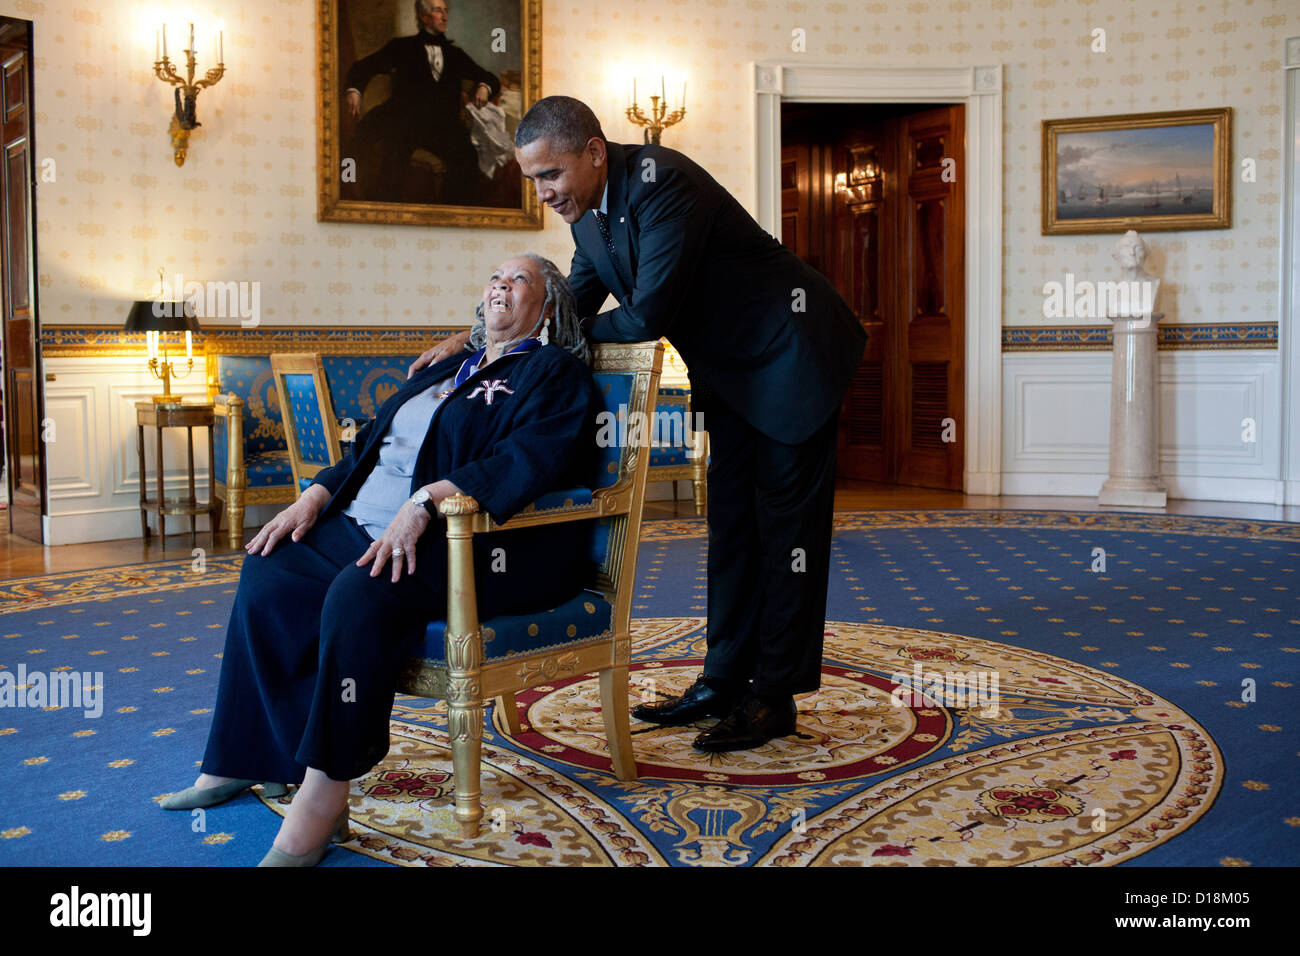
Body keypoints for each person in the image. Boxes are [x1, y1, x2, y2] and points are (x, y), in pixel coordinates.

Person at [411, 96, 867, 753]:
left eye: (551, 176)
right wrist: (477, 339)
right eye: (533, 179)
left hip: (793, 356)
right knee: (733, 526)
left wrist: (541, 337)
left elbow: (645, 314)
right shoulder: (588, 221)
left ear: (594, 153)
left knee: (785, 534)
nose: (543, 194)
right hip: (730, 373)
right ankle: (720, 680)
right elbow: (568, 305)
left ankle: (772, 698)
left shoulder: (663, 182)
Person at [160, 255, 600, 866]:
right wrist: (313, 495)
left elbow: (526, 460)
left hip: (475, 544)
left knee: (358, 592)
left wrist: (426, 501)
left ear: (548, 307)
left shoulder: (552, 373)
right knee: (269, 570)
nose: (501, 284)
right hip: (366, 523)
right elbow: (371, 443)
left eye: (519, 279)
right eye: (494, 277)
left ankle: (324, 794)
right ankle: (244, 756)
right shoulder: (450, 365)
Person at [343, 0, 500, 203]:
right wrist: (354, 90)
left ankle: (452, 213)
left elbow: (489, 77)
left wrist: (483, 87)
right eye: (438, 11)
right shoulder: (402, 47)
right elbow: (363, 67)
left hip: (442, 126)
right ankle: (383, 212)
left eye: (446, 11)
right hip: (405, 122)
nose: (445, 16)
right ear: (423, 16)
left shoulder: (455, 54)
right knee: (393, 159)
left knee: (467, 158)